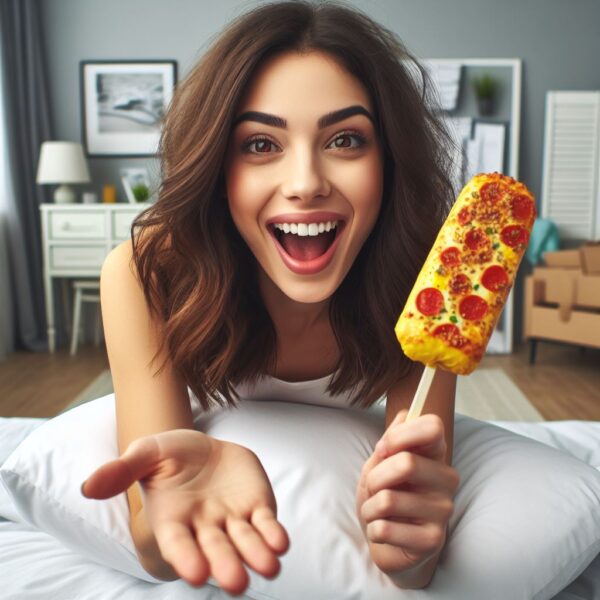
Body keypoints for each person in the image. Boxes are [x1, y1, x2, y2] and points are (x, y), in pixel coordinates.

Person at [81, 1, 461, 595]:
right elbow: (154, 545)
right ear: (216, 165)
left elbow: (412, 557)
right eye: (260, 144)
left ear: (389, 161)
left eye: (345, 139)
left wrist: (410, 549)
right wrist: (179, 505)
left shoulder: (422, 277)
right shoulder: (145, 273)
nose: (306, 182)